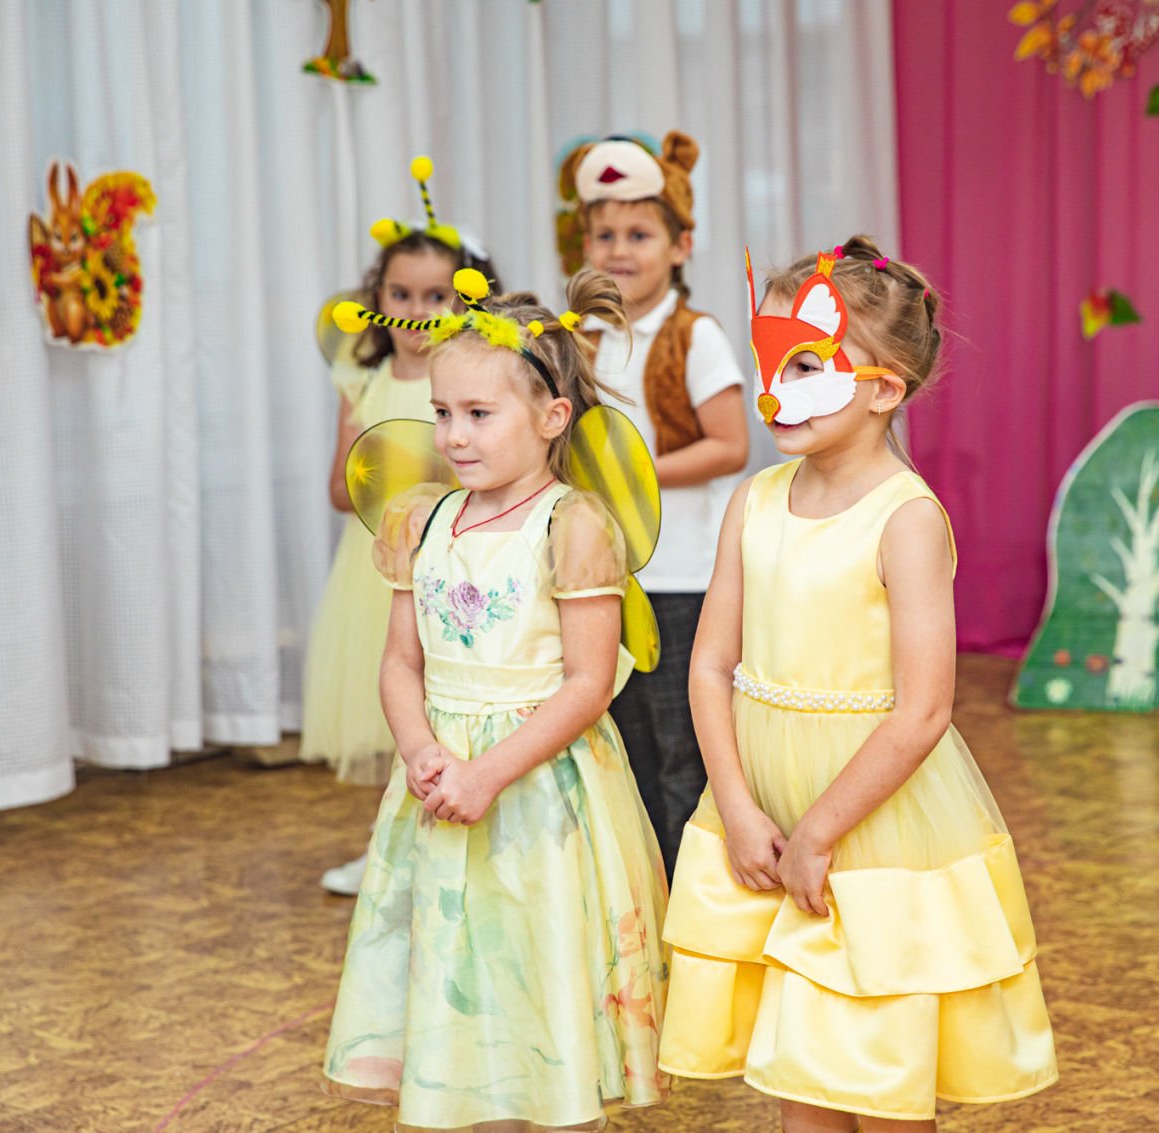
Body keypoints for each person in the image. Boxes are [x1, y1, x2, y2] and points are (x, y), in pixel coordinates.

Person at [658, 238, 1058, 1130]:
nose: (774, 387)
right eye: (770, 361)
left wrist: (819, 831)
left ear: (884, 390)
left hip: (871, 829)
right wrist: (738, 806)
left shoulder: (904, 519)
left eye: (805, 364)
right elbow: (711, 664)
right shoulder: (754, 501)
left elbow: (924, 710)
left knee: (876, 1076)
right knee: (802, 1077)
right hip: (762, 808)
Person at [321, 268, 671, 1130]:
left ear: (552, 418)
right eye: (443, 412)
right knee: (457, 962)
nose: (453, 434)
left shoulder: (573, 525)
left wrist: (487, 773)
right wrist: (422, 750)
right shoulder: (420, 521)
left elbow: (587, 684)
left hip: (536, 792)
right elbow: (399, 662)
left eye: (479, 414)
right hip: (441, 781)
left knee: (532, 960)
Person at [301, 156, 500, 896]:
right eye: (400, 295)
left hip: (448, 568)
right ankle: (389, 850)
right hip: (373, 572)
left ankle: (451, 840)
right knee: (388, 704)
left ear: (467, 296)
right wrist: (375, 466)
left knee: (442, 701)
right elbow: (338, 489)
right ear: (377, 299)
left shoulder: (469, 381)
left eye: (436, 297)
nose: (416, 312)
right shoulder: (363, 378)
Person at [561, 130, 749, 877]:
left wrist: (630, 479)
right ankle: (645, 894)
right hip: (607, 578)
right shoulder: (580, 340)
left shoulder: (696, 337)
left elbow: (729, 445)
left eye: (639, 235)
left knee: (684, 752)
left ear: (681, 246)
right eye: (604, 235)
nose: (619, 250)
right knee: (625, 746)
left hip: (682, 579)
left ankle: (699, 895)